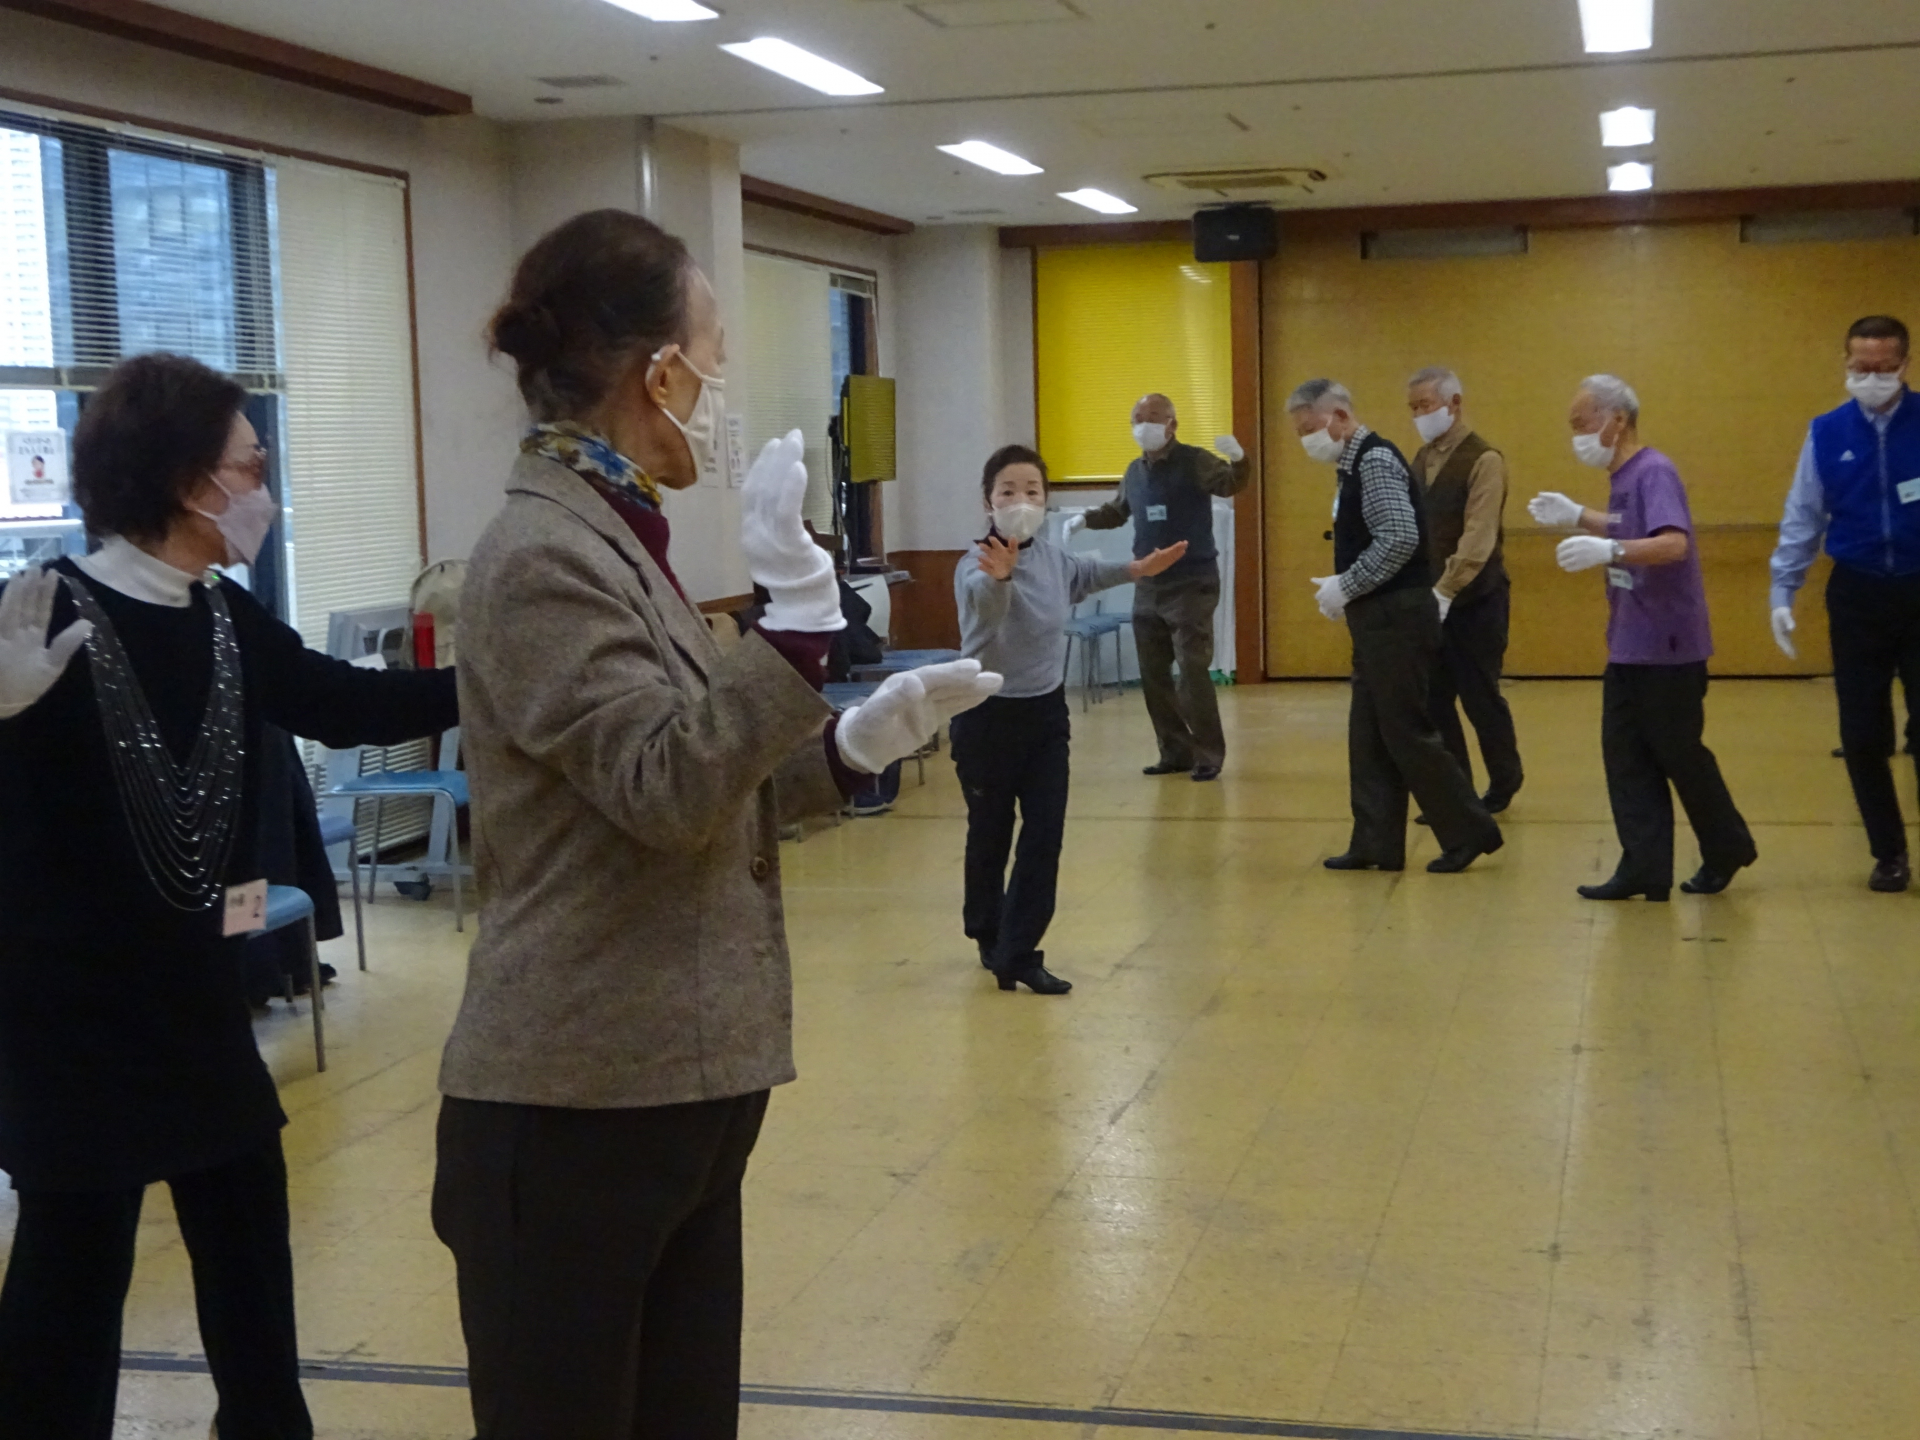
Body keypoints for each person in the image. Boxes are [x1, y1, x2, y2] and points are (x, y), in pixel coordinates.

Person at [431, 210, 999, 1440]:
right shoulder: (540, 555)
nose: (721, 394)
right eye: (714, 360)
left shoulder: (624, 539)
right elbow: (665, 785)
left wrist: (848, 748)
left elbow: (699, 776)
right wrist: (792, 633)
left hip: (676, 1097)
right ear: (658, 374)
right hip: (577, 1103)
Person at [0, 352, 458, 1440]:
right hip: (73, 1030)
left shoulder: (220, 615)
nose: (265, 488)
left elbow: (344, 704)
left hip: (196, 1008)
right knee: (69, 1293)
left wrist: (505, 674)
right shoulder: (41, 615)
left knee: (250, 1255)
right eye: (251, 465)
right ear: (187, 482)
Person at [954, 445, 1188, 996]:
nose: (1021, 500)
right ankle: (987, 930)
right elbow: (985, 608)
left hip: (1045, 715)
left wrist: (1137, 569)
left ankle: (1018, 953)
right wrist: (1001, 578)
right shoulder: (975, 565)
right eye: (1008, 491)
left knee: (1044, 835)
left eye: (1032, 491)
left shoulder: (1055, 560)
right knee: (990, 832)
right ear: (988, 501)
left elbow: (1088, 573)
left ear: (1045, 501)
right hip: (985, 714)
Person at [1530, 374, 1756, 901]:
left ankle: (1727, 845)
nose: (1576, 437)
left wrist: (1610, 551)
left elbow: (1673, 543)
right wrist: (1578, 516)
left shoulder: (1654, 470)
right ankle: (1645, 867)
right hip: (1630, 642)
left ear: (1617, 419)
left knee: (1678, 754)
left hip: (1667, 645)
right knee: (1626, 756)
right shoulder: (1625, 476)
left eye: (1582, 424)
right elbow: (1627, 525)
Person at [1289, 379, 1502, 875]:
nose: (1305, 440)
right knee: (1368, 736)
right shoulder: (1352, 466)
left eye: (1309, 428)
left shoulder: (1375, 460)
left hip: (1397, 619)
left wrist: (1348, 585)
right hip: (1378, 618)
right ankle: (1376, 841)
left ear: (1341, 416)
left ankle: (1470, 831)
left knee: (1407, 733)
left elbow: (1399, 538)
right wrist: (1347, 588)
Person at [1768, 314, 1920, 893]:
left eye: (1884, 368)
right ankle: (1889, 853)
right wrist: (1783, 589)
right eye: (1861, 367)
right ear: (1846, 364)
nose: (1872, 378)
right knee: (1862, 734)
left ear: (1905, 365)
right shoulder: (1827, 432)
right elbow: (1803, 516)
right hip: (1858, 592)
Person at [1066, 393, 1247, 781]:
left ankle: (1208, 754)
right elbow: (1117, 511)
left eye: (1151, 417)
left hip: (1193, 581)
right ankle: (1175, 751)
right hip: (1148, 584)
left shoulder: (1194, 461)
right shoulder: (1134, 471)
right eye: (1137, 418)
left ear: (1171, 425)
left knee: (1192, 669)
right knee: (1153, 673)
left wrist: (1240, 460)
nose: (1142, 425)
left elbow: (1230, 484)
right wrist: (1084, 519)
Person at [1407, 366, 1524, 814]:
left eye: (1425, 405)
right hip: (1431, 600)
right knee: (1435, 701)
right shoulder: (1420, 459)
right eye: (1413, 407)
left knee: (1480, 697)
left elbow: (1479, 536)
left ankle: (1504, 778)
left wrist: (1447, 588)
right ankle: (1455, 794)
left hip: (1478, 601)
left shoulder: (1484, 459)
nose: (1418, 415)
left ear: (1454, 403)